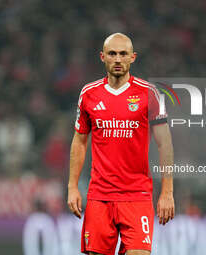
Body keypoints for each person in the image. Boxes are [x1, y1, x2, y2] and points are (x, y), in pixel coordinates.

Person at [68, 33, 174, 255]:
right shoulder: (89, 94)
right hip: (100, 196)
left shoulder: (150, 93)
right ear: (102, 57)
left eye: (123, 54)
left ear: (133, 58)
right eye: (112, 54)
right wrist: (72, 186)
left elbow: (165, 144)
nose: (117, 59)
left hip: (137, 195)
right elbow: (79, 141)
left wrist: (167, 192)